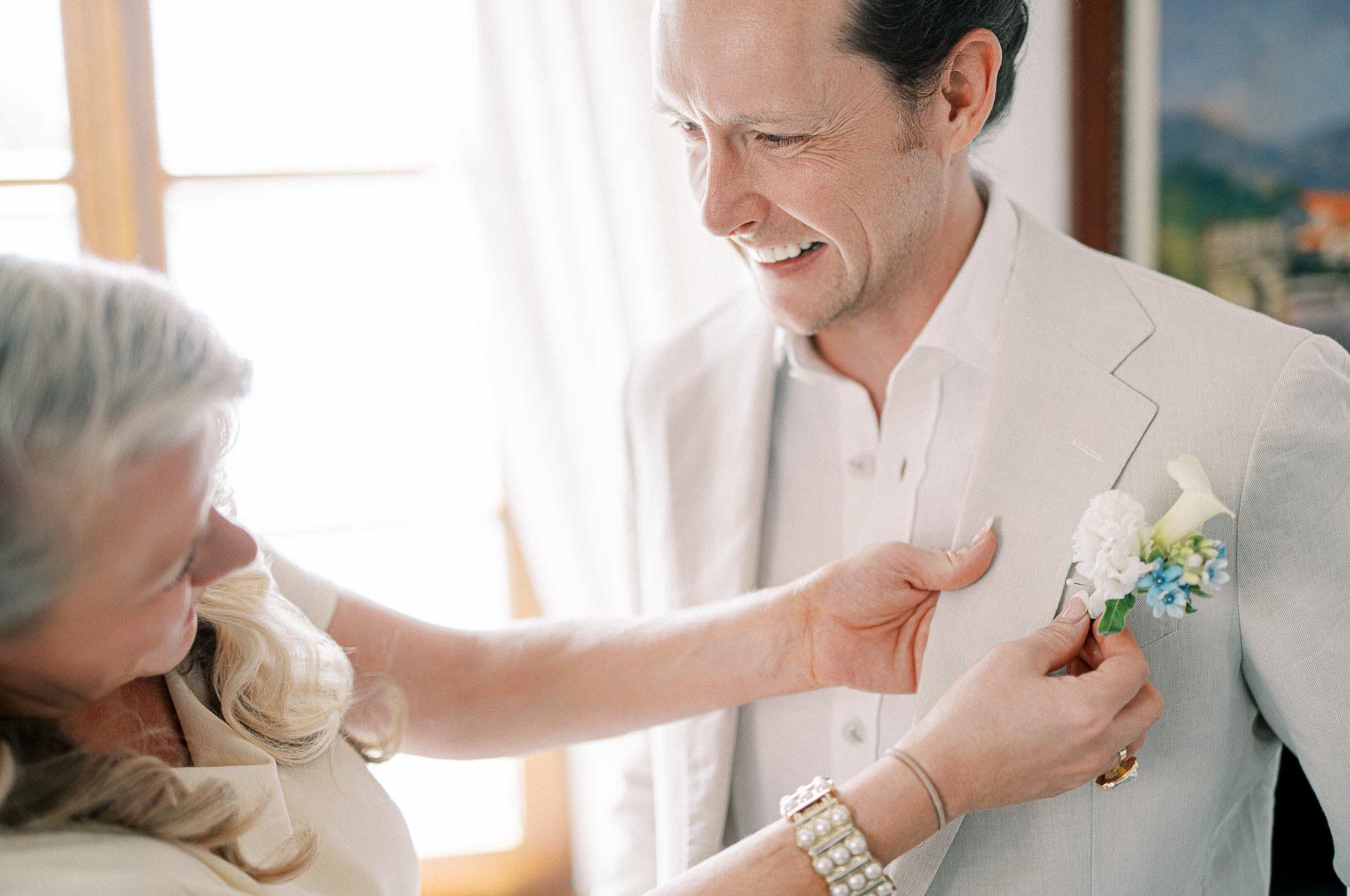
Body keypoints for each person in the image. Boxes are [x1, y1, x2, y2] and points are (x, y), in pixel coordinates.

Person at [0, 255, 1161, 894]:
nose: (235, 555)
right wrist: (931, 782)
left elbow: (465, 685)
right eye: (168, 557)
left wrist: (805, 632)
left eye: (219, 494)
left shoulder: (199, 569)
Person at [611, 0, 1350, 893]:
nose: (715, 208)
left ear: (958, 92)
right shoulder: (671, 396)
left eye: (777, 136)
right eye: (689, 128)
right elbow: (655, 794)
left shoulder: (1253, 400)